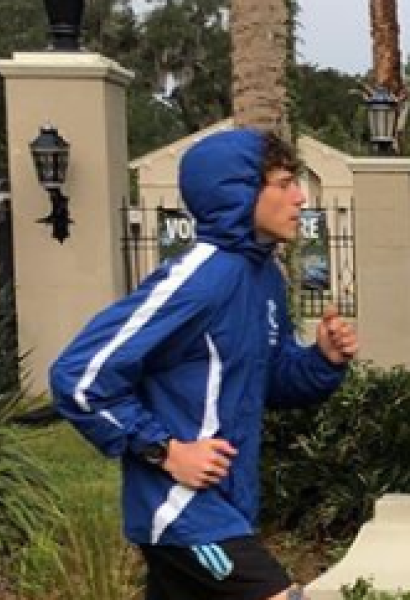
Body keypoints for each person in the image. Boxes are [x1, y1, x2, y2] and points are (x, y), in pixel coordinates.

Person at [49, 127, 359, 600]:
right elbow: (79, 376)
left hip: (227, 505)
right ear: (237, 193)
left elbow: (270, 381)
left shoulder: (263, 278)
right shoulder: (202, 278)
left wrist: (323, 359)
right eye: (284, 183)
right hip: (184, 512)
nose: (300, 197)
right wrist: (166, 451)